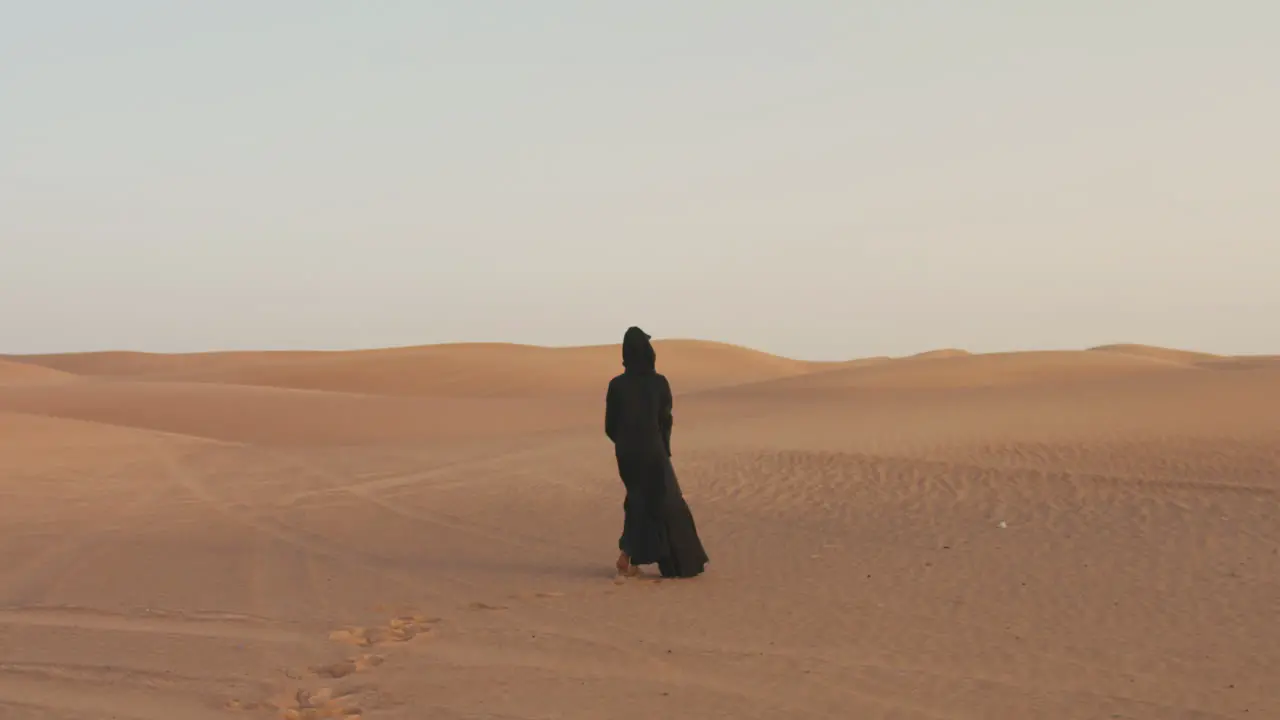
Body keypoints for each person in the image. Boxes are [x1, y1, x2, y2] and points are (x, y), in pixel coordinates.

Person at [605, 326, 709, 578]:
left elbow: (610, 426)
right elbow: (665, 419)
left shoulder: (616, 385)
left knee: (637, 499)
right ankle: (678, 563)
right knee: (666, 502)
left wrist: (625, 444)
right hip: (653, 451)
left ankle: (628, 556)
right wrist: (663, 447)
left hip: (627, 454)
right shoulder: (658, 383)